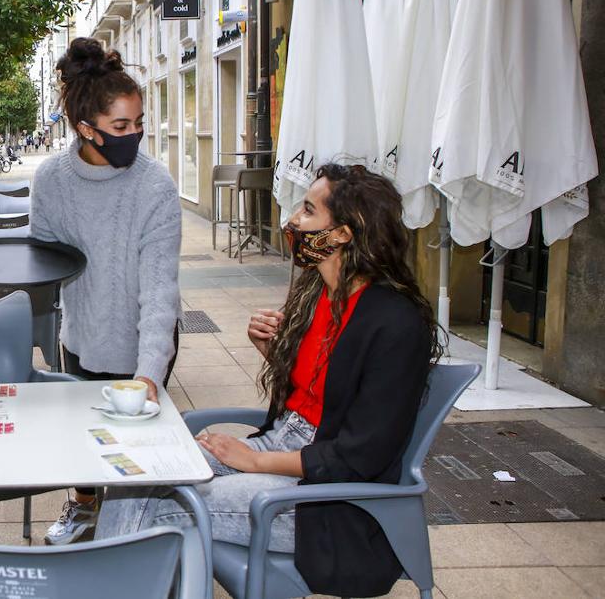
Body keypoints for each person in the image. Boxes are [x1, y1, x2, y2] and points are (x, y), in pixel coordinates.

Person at [97, 163, 442, 598]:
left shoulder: (394, 322)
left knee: (176, 509)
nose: (293, 221)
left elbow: (362, 454)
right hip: (287, 443)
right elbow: (320, 394)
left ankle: (99, 584)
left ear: (342, 234)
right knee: (138, 478)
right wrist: (277, 355)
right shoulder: (320, 294)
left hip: (333, 499)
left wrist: (254, 461)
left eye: (308, 211)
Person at [31, 37, 182, 545]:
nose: (133, 135)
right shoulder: (51, 181)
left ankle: (132, 537)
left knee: (132, 456)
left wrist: (148, 375)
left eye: (139, 124)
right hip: (81, 336)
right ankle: (83, 508)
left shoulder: (155, 185)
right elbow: (44, 265)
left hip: (141, 342)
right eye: (121, 127)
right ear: (84, 128)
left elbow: (161, 291)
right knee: (84, 449)